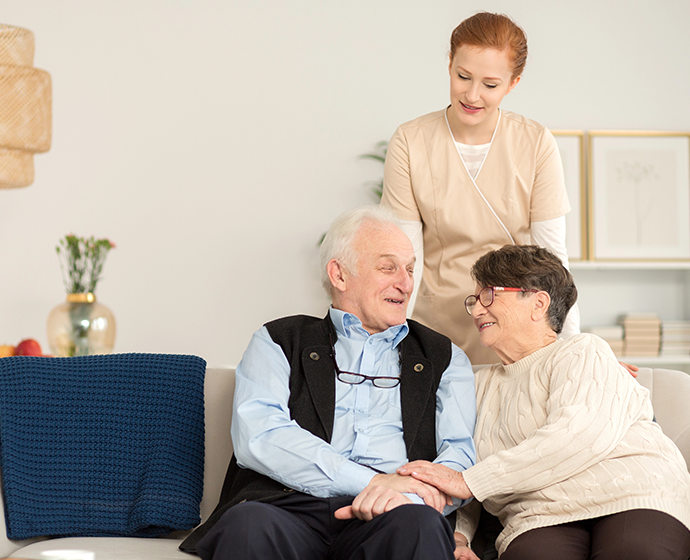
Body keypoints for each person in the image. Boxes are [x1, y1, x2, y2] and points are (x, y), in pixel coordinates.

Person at [180, 205, 477, 559]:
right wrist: (370, 481)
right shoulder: (278, 340)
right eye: (388, 267)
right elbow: (259, 436)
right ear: (339, 275)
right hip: (288, 507)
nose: (406, 282)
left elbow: (458, 460)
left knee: (420, 527)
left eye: (410, 269)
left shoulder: (444, 357)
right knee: (247, 525)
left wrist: (402, 497)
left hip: (393, 513)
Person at [403, 244, 690, 560]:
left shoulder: (583, 350)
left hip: (633, 492)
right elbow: (466, 470)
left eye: (489, 295)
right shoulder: (476, 385)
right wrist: (458, 539)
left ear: (538, 303)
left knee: (636, 553)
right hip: (538, 513)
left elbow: (579, 434)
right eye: (474, 301)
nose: (477, 310)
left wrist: (468, 482)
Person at [380, 11, 580, 365]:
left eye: (490, 85)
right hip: (436, 321)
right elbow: (404, 256)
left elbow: (553, 258)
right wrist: (388, 340)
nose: (472, 95)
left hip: (516, 325)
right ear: (450, 65)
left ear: (513, 83)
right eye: (462, 76)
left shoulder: (535, 142)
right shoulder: (410, 141)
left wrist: (572, 350)